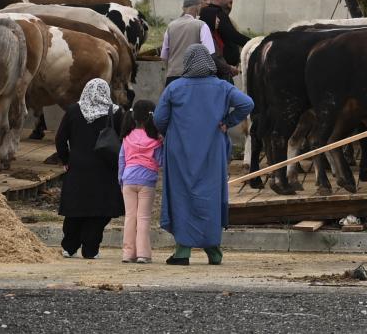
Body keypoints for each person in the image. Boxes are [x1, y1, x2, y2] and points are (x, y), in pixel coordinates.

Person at [155, 45, 254, 265]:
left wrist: (169, 131)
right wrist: (227, 123)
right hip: (212, 149)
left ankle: (182, 251)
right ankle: (213, 251)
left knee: (182, 193)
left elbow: (160, 118)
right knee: (211, 193)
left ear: (187, 63)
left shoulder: (175, 87)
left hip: (179, 150)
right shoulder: (222, 87)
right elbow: (247, 104)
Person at [55, 78, 125, 259]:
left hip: (78, 167)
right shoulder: (116, 113)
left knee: (75, 209)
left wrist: (66, 159)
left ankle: (69, 247)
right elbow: (124, 140)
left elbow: (60, 139)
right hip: (105, 169)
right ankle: (91, 249)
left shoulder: (73, 111)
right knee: (99, 210)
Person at [118, 100, 162, 264]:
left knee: (130, 217)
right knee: (143, 217)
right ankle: (143, 254)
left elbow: (122, 160)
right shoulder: (155, 139)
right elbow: (161, 161)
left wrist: (121, 179)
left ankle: (127, 254)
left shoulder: (126, 136)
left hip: (128, 179)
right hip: (147, 181)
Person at [161, 0, 215, 86]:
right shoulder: (201, 25)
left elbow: (163, 56)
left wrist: (172, 70)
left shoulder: (171, 26)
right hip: (194, 79)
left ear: (183, 8)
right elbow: (209, 53)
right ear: (198, 7)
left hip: (172, 78)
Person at [198, 0, 248, 73]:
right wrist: (256, 43)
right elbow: (233, 35)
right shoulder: (214, 12)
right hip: (219, 70)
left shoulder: (212, 12)